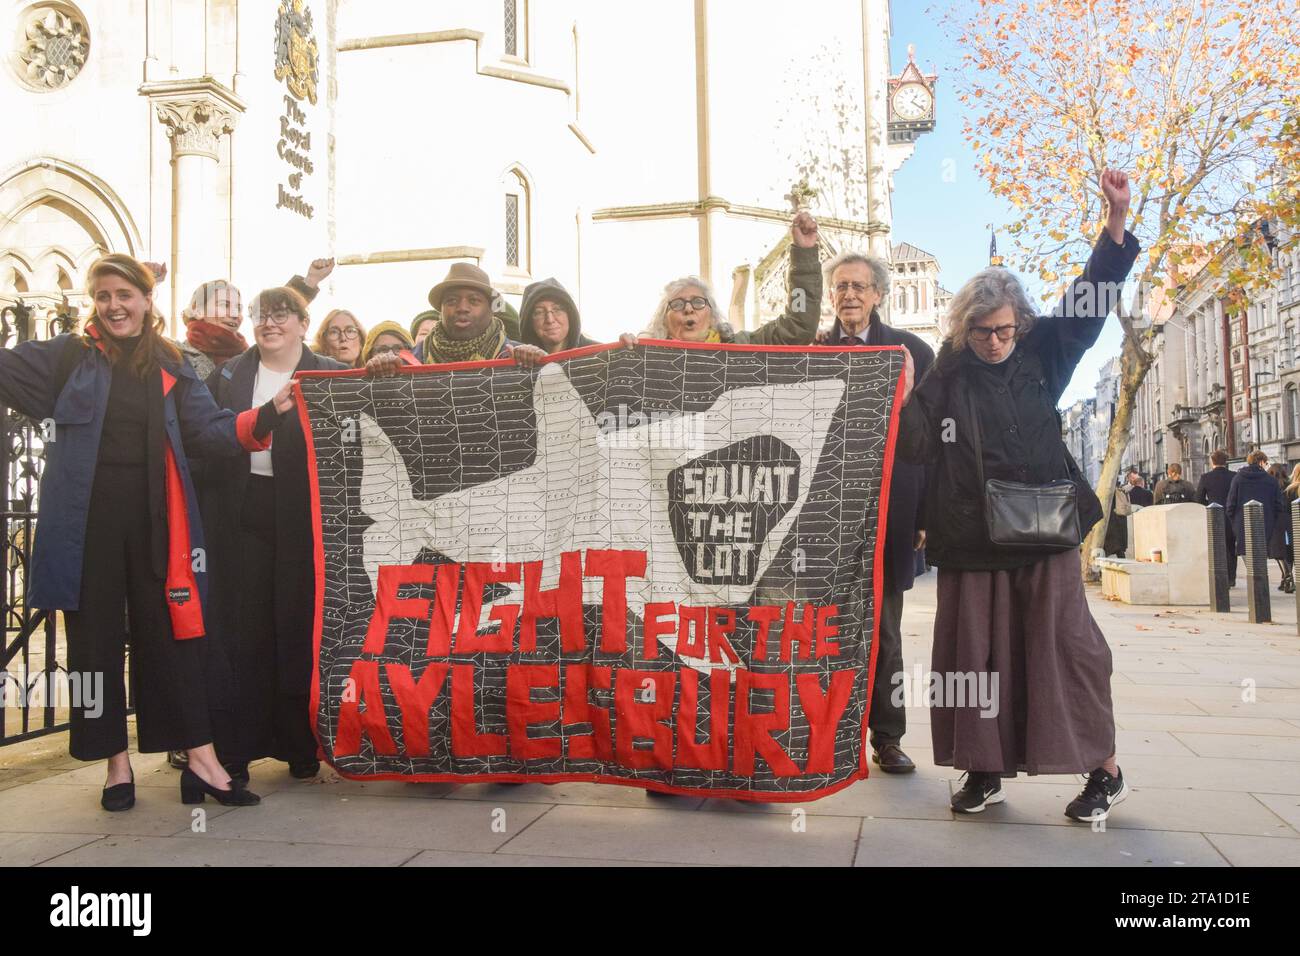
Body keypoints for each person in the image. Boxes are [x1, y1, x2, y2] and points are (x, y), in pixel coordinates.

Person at [0, 254, 295, 809]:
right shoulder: (68, 356)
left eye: (124, 295)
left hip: (160, 526)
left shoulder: (174, 363)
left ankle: (201, 758)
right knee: (94, 645)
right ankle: (116, 766)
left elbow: (209, 431)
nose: (114, 305)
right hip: (86, 527)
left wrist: (268, 415)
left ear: (145, 300)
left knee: (174, 639)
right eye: (104, 296)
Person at [895, 169, 1139, 822]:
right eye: (982, 333)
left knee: (1064, 650)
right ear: (964, 328)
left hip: (1041, 532)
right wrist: (921, 377)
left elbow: (1091, 299)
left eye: (1004, 330)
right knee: (972, 658)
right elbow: (914, 443)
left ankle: (1105, 772)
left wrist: (1114, 224)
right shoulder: (949, 372)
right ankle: (983, 773)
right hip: (972, 539)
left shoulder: (1045, 352)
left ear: (1020, 323)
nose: (996, 342)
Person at [201, 286, 348, 782]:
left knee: (298, 626)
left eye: (282, 315)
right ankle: (237, 748)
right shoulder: (229, 374)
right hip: (243, 513)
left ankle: (299, 746)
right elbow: (210, 438)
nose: (271, 324)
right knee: (245, 631)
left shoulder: (330, 372)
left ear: (304, 325)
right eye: (263, 316)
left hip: (306, 517)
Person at [815, 248, 933, 774]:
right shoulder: (813, 351)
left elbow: (930, 443)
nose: (850, 295)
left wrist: (926, 515)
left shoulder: (910, 351)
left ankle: (887, 737)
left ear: (878, 295)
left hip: (889, 513)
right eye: (841, 286)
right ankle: (824, 736)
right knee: (824, 629)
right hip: (824, 516)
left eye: (860, 287)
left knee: (884, 630)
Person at [627, 211, 822, 345]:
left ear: (712, 316)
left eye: (698, 302)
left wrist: (804, 256)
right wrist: (623, 357)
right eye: (677, 304)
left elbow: (798, 326)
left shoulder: (742, 348)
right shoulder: (649, 358)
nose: (688, 309)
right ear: (664, 320)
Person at [177, 259, 334, 381]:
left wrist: (310, 280)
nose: (234, 314)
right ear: (197, 309)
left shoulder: (250, 357)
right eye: (224, 305)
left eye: (238, 308)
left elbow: (279, 308)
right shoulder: (175, 356)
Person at [403, 263, 544, 366]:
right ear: (441, 309)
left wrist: (541, 363)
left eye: (474, 300)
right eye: (452, 301)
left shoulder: (517, 357)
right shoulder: (411, 361)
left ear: (491, 310)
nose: (462, 308)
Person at [1227, 451, 1286, 584]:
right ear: (1261, 462)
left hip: (1242, 525)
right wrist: (1271, 521)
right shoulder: (1271, 481)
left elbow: (1230, 504)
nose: (1266, 465)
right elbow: (1278, 505)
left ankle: (1255, 586)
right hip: (1265, 525)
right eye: (1266, 463)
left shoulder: (1238, 479)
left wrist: (1236, 523)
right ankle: (1261, 586)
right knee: (1260, 558)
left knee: (1247, 556)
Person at [520, 278, 597, 354]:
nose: (550, 320)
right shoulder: (522, 364)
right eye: (539, 312)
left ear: (570, 315)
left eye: (557, 309)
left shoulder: (599, 355)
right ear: (529, 322)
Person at [1197, 450, 1237, 584]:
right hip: (1231, 517)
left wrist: (1209, 505)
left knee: (1217, 547)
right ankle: (1231, 578)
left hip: (1214, 516)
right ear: (1225, 461)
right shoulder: (1234, 476)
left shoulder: (1205, 477)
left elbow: (1199, 499)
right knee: (1231, 548)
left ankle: (1221, 577)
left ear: (1212, 462)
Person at [1268, 463, 1294, 592]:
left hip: (1277, 521)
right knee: (1288, 551)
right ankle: (1285, 578)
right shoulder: (1290, 485)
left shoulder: (1270, 485)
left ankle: (1288, 577)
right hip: (1289, 520)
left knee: (1278, 552)